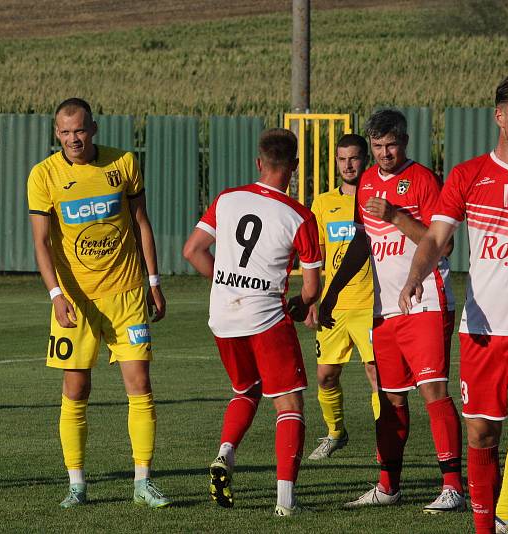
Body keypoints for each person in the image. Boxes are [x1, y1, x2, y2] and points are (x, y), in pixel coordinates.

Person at [27, 97, 170, 508]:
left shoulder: (122, 163)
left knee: (140, 385)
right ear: (57, 133)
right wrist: (55, 294)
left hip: (126, 294)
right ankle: (76, 484)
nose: (73, 138)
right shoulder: (44, 176)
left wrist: (153, 281)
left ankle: (143, 481)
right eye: (65, 131)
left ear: (94, 128)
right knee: (76, 388)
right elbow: (40, 242)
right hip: (75, 301)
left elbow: (142, 223)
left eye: (80, 130)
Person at [318, 109, 463, 513]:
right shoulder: (365, 183)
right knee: (390, 398)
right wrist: (331, 294)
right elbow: (362, 243)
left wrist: (397, 216)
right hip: (384, 307)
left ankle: (453, 486)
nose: (384, 153)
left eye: (391, 145)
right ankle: (388, 486)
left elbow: (443, 246)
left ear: (405, 141)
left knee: (433, 390)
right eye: (378, 146)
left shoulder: (423, 180)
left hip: (426, 301)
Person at [183, 128, 322, 516]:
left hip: (223, 317)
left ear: (259, 163)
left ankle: (225, 453)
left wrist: (229, 284)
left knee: (246, 389)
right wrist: (296, 304)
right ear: (293, 167)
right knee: (289, 402)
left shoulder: (228, 199)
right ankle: (286, 502)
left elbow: (192, 250)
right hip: (266, 318)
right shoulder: (300, 216)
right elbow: (311, 290)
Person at [399, 77, 508, 534]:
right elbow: (435, 240)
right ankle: (487, 526)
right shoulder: (468, 175)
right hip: (485, 329)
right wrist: (414, 276)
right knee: (481, 434)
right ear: (500, 116)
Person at [304, 134, 378, 460]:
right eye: (342, 158)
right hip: (333, 306)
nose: (348, 165)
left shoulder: (377, 199)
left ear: (366, 160)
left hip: (371, 302)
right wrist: (311, 301)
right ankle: (336, 433)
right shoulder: (322, 203)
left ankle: (386, 442)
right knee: (325, 375)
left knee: (376, 372)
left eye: (354, 158)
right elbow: (315, 258)